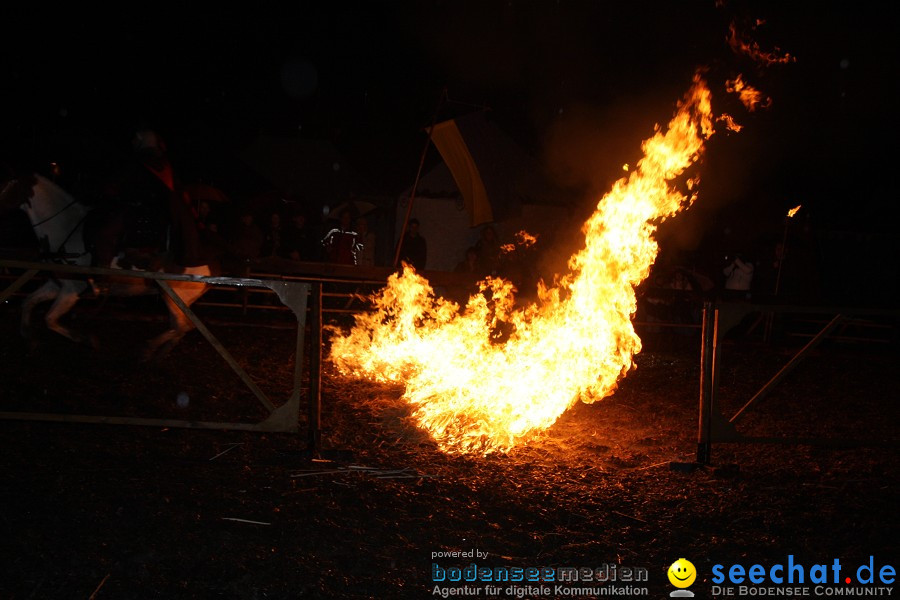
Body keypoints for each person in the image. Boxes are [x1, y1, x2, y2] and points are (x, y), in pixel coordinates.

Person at [89, 127, 202, 271]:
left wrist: (104, 191)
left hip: (139, 212)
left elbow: (120, 184)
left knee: (105, 232)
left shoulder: (139, 162)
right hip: (158, 213)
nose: (132, 142)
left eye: (135, 140)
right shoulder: (164, 164)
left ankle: (101, 270)